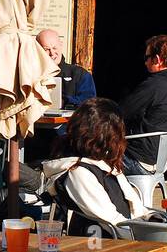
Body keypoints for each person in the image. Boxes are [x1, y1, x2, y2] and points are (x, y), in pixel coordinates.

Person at [41, 98, 148, 234]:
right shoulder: (79, 172)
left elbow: (138, 211)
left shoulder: (104, 164)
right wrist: (160, 236)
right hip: (106, 248)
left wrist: (158, 223)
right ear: (108, 136)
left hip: (132, 235)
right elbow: (114, 223)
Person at [119, 34, 167, 176]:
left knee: (91, 158)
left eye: (146, 58)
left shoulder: (155, 85)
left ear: (157, 59)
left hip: (139, 161)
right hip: (161, 162)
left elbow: (120, 112)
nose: (145, 63)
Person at [37, 29, 96, 110]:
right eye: (46, 49)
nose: (52, 53)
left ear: (61, 45)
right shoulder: (30, 75)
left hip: (69, 121)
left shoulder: (79, 74)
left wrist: (65, 101)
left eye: (54, 48)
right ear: (37, 50)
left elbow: (89, 104)